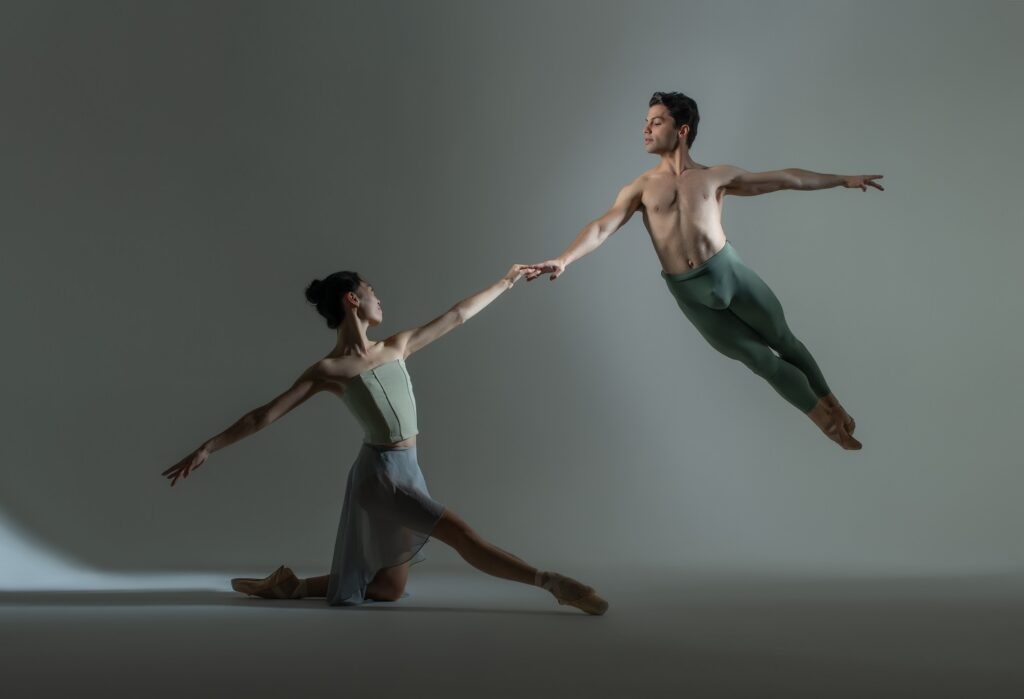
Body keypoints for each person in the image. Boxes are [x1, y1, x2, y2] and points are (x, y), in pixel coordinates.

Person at [161, 265, 608, 615]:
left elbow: (457, 315)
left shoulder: (396, 346)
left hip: (409, 469)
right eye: (373, 291)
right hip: (381, 477)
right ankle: (553, 583)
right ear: (353, 299)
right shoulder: (329, 371)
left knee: (388, 589)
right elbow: (265, 414)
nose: (380, 298)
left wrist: (506, 280)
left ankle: (291, 585)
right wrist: (207, 447)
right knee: (463, 535)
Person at [523, 91, 884, 450]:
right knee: (759, 359)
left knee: (784, 341)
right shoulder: (640, 188)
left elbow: (787, 178)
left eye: (656, 122)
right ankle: (828, 424)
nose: (646, 130)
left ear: (682, 130)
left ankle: (834, 404)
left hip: (731, 275)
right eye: (645, 123)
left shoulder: (716, 177)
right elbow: (602, 226)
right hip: (690, 292)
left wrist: (841, 179)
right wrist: (565, 258)